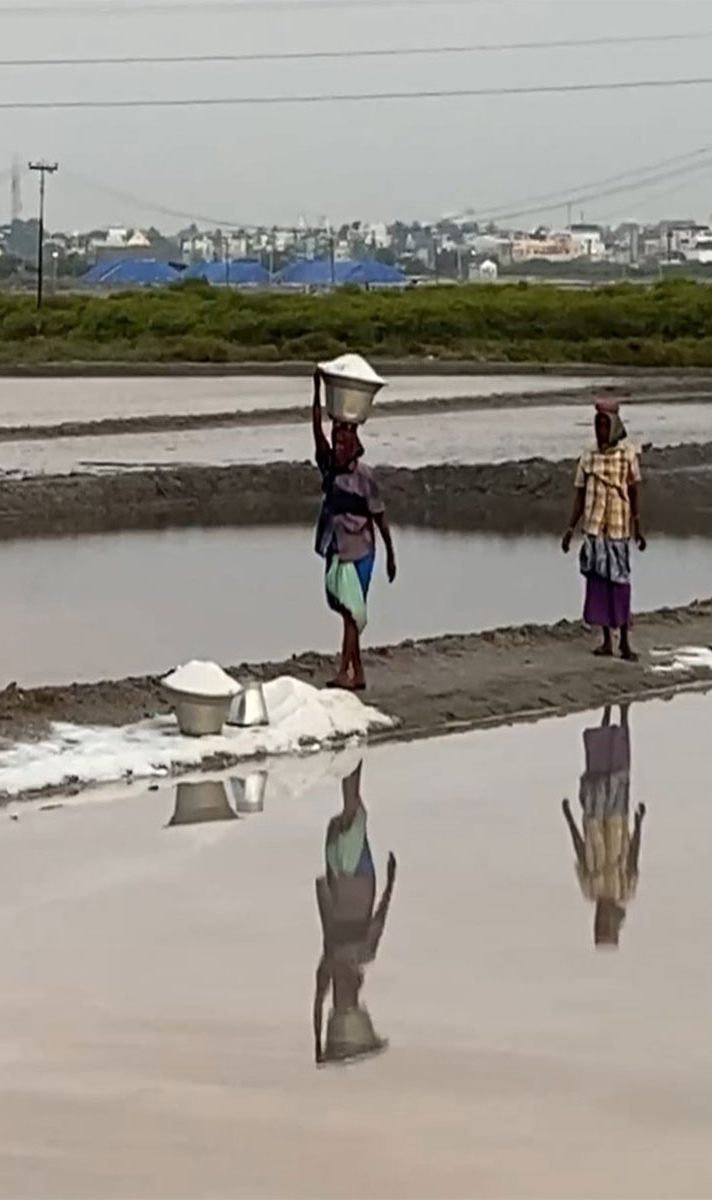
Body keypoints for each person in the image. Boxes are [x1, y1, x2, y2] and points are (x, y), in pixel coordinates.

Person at [312, 373, 397, 691]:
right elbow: (317, 432)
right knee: (344, 608)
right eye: (337, 442)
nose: (338, 446)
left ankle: (345, 671)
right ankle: (356, 673)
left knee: (351, 612)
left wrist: (390, 555)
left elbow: (380, 518)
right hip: (337, 546)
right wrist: (317, 391)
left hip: (361, 550)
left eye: (344, 443)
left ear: (355, 448)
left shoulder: (365, 478)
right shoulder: (329, 468)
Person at [313, 761, 397, 1065]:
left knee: (354, 807)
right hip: (338, 869)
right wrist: (318, 1041)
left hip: (352, 874)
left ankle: (353, 756)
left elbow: (380, 917)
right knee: (353, 809)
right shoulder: (330, 965)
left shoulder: (358, 954)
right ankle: (353, 757)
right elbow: (317, 1003)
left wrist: (391, 884)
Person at [562, 395, 646, 661]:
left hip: (619, 529)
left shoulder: (627, 455)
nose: (600, 431)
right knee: (598, 583)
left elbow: (633, 489)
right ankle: (607, 641)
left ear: (614, 426)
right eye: (596, 426)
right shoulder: (588, 457)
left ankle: (625, 642)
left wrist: (638, 524)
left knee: (619, 585)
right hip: (595, 529)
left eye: (604, 425)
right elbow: (579, 494)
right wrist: (569, 528)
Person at [562, 704, 646, 949]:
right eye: (607, 925)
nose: (604, 919)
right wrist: (638, 825)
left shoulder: (590, 890)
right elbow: (632, 857)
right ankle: (619, 714)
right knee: (619, 770)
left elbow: (580, 851)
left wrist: (569, 817)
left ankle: (614, 713)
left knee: (598, 769)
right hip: (617, 819)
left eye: (602, 925)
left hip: (594, 820)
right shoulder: (624, 892)